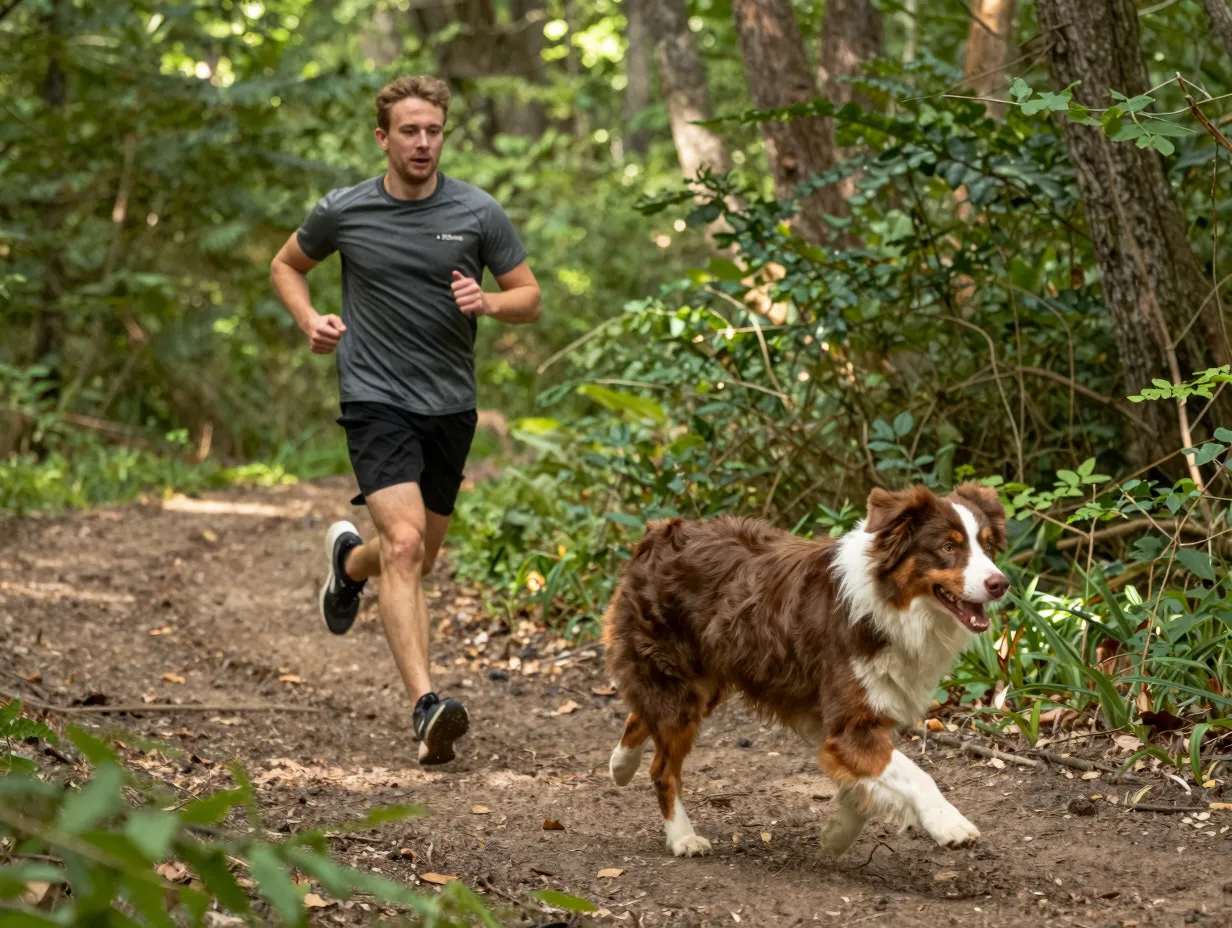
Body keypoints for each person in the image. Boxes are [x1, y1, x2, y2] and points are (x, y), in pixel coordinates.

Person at [269, 75, 542, 764]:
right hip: (374, 398)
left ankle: (347, 565)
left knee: (416, 558)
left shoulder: (477, 211)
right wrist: (309, 319)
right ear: (382, 137)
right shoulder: (345, 210)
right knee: (405, 545)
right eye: (410, 131)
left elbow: (530, 298)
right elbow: (286, 265)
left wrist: (489, 302)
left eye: (433, 131)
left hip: (450, 405)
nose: (423, 143)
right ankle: (426, 706)